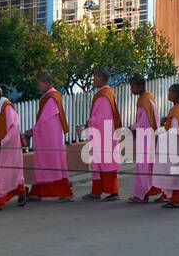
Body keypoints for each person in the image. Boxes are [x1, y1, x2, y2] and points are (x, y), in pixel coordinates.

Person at [22, 71, 74, 201]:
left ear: (47, 83)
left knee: (50, 163)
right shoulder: (51, 97)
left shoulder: (51, 98)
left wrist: (32, 131)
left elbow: (44, 122)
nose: (38, 86)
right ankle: (37, 191)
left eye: (39, 84)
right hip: (51, 136)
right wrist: (34, 130)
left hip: (48, 138)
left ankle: (64, 192)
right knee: (47, 163)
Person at [83, 66, 123, 201]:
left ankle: (113, 192)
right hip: (103, 134)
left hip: (104, 135)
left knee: (106, 163)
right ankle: (97, 191)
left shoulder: (104, 95)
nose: (93, 80)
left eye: (94, 77)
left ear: (100, 78)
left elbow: (103, 118)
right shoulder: (105, 93)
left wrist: (91, 122)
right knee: (100, 163)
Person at [155, 83, 179, 208]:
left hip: (175, 147)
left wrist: (160, 134)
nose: (168, 94)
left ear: (176, 95)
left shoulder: (176, 111)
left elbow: (175, 132)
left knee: (174, 174)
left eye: (170, 92)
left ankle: (176, 200)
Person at [128, 75, 162, 203]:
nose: (131, 89)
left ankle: (142, 194)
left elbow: (143, 124)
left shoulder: (143, 101)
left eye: (133, 87)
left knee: (143, 167)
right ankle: (149, 192)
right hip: (150, 136)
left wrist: (131, 127)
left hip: (146, 137)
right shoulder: (148, 97)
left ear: (140, 87)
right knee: (150, 166)